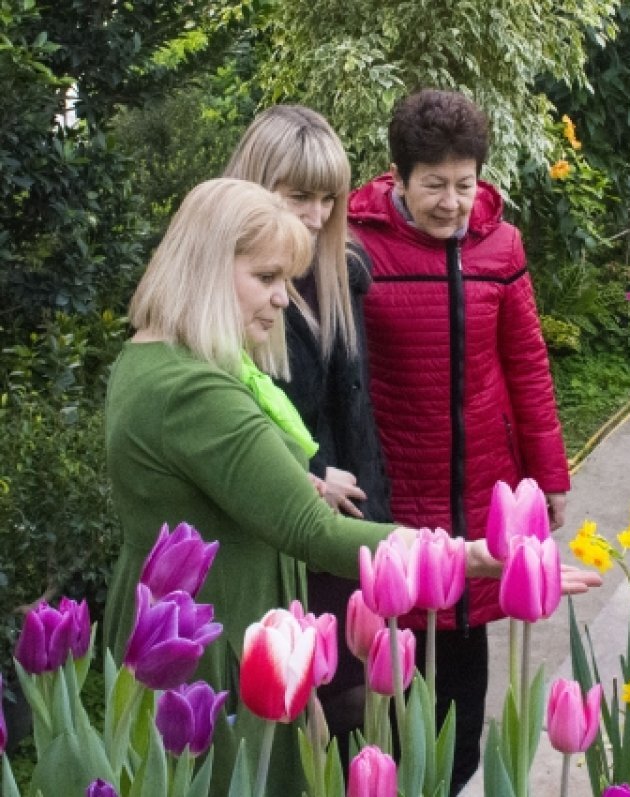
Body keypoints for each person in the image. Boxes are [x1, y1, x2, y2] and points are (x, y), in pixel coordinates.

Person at [101, 178, 514, 792]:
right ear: (209, 268)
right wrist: (462, 554)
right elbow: (310, 530)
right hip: (213, 638)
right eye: (266, 279)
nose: (281, 301)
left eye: (286, 282)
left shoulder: (149, 359)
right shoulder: (194, 391)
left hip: (174, 621)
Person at [347, 89, 571, 794]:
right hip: (395, 491)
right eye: (434, 185)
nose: (452, 203)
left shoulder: (500, 244)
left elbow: (527, 361)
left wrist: (548, 472)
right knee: (392, 700)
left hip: (481, 489)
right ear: (399, 176)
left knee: (462, 717)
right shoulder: (358, 247)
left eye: (465, 184)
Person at [223, 105, 392, 750]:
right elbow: (230, 412)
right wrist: (307, 478)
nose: (317, 216)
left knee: (361, 705)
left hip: (356, 515)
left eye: (329, 198)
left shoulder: (339, 273)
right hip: (288, 530)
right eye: (298, 197)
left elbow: (358, 410)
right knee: (304, 710)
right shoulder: (234, 289)